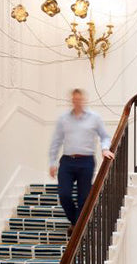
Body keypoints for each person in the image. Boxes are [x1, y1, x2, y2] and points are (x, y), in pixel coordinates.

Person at [48, 89, 114, 226]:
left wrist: (105, 149)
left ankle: (76, 230)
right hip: (67, 161)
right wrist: (52, 162)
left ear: (84, 100)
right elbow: (56, 141)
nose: (77, 102)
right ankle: (77, 224)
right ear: (72, 100)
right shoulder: (64, 119)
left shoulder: (94, 118)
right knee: (64, 195)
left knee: (83, 198)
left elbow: (105, 136)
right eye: (74, 100)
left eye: (79, 99)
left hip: (86, 162)